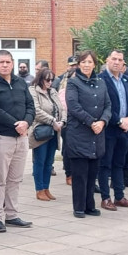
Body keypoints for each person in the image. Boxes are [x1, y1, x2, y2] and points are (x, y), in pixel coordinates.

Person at [0, 50, 35, 233]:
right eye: (1, 62)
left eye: (8, 62)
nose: (5, 65)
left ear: (12, 64)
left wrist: (26, 122)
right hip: (1, 138)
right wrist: (15, 124)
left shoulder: (20, 82)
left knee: (15, 179)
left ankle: (12, 215)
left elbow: (30, 106)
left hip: (21, 138)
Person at [64, 50, 110, 218]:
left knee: (92, 174)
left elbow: (108, 105)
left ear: (94, 64)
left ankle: (90, 205)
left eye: (89, 62)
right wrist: (91, 122)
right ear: (78, 64)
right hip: (79, 134)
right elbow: (74, 106)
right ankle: (79, 207)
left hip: (97, 134)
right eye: (83, 62)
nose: (86, 65)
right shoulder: (73, 83)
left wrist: (103, 121)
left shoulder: (101, 82)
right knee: (80, 174)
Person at [97, 50, 128, 211]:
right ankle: (106, 198)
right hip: (109, 129)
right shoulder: (101, 80)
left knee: (120, 164)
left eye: (120, 60)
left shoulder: (127, 80)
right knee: (105, 165)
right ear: (107, 60)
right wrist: (119, 120)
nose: (116, 62)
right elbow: (103, 105)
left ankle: (120, 196)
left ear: (123, 63)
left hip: (125, 129)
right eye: (113, 59)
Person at [28, 68, 64, 201]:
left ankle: (46, 188)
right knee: (40, 161)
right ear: (40, 78)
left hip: (54, 131)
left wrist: (62, 122)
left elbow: (61, 108)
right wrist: (52, 120)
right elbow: (36, 111)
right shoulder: (33, 90)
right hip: (40, 130)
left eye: (52, 80)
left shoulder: (53, 91)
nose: (50, 82)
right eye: (47, 79)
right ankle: (39, 189)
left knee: (49, 162)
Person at [57, 56, 78, 185]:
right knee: (67, 148)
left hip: (79, 123)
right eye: (72, 65)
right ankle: (69, 173)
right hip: (67, 121)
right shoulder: (61, 83)